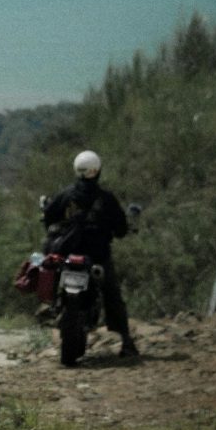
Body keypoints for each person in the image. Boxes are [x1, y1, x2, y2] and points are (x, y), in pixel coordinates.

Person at [42, 149, 139, 359]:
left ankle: (48, 305)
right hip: (98, 256)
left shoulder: (65, 195)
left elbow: (48, 219)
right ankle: (126, 341)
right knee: (112, 295)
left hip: (68, 254)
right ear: (97, 171)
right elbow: (121, 229)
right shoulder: (106, 199)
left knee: (51, 270)